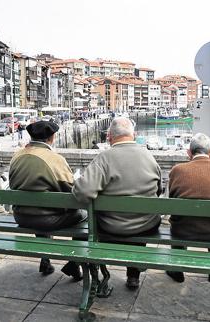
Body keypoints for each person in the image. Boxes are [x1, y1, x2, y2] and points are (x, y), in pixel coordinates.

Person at [72, 117, 162, 289]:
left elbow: (83, 193)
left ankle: (89, 269)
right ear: (133, 135)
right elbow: (159, 190)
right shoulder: (149, 157)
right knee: (140, 216)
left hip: (111, 226)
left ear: (109, 137)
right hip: (146, 226)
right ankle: (133, 275)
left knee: (83, 223)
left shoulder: (104, 159)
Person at [9, 120, 86, 281]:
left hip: (21, 216)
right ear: (52, 138)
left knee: (37, 207)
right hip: (47, 220)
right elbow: (72, 191)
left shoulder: (17, 156)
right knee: (85, 216)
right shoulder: (54, 158)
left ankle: (45, 259)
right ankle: (74, 262)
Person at [165, 133, 210, 283]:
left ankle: (177, 270)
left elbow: (172, 199)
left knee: (179, 221)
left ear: (189, 153)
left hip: (183, 231)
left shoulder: (177, 170)